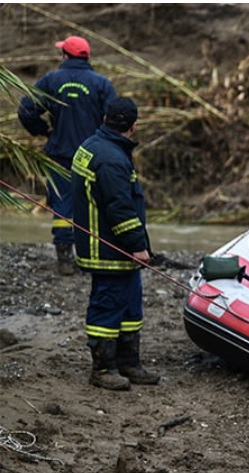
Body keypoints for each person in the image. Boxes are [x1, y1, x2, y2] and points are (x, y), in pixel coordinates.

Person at [71, 97, 160, 391]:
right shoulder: (110, 158)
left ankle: (128, 362)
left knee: (131, 307)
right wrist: (137, 245)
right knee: (108, 306)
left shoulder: (95, 145)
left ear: (106, 118)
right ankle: (103, 368)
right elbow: (119, 207)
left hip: (110, 245)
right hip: (108, 249)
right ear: (133, 126)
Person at [18, 35, 118, 276]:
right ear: (87, 57)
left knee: (62, 205)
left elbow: (25, 109)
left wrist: (43, 130)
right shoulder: (101, 84)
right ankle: (92, 256)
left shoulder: (51, 80)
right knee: (94, 204)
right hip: (94, 157)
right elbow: (114, 120)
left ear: (65, 56)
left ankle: (64, 259)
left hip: (60, 154)